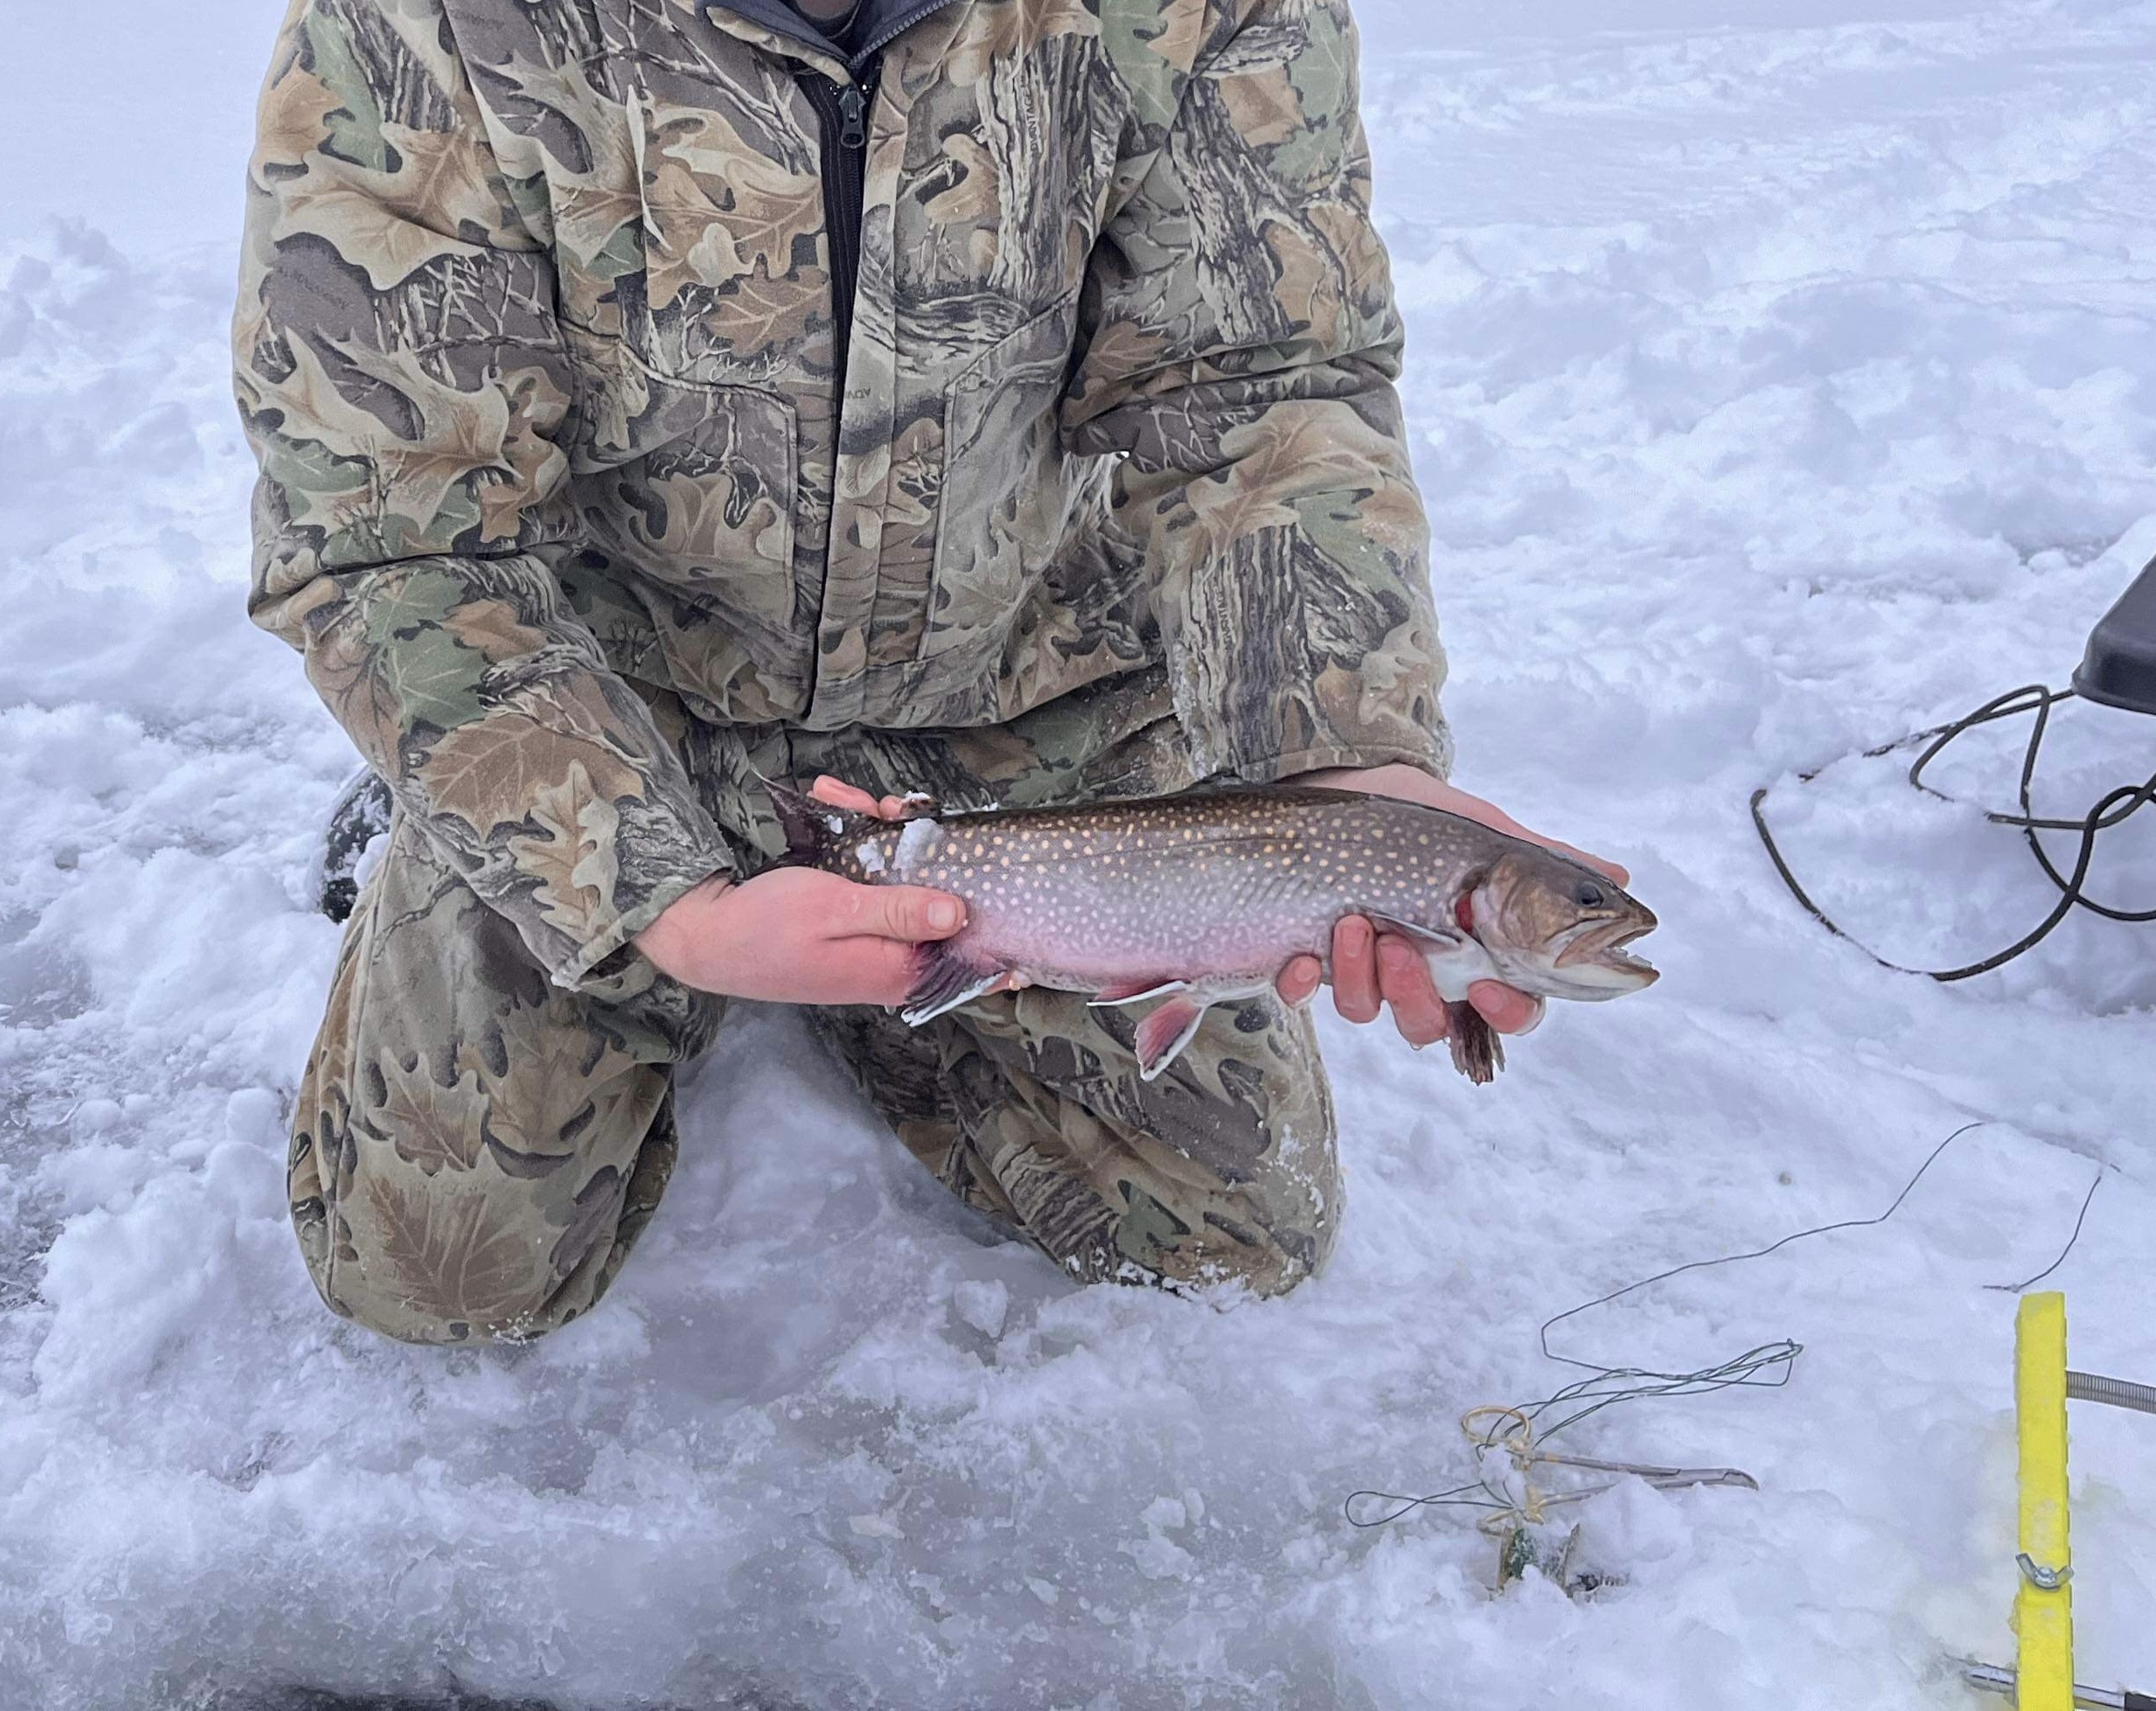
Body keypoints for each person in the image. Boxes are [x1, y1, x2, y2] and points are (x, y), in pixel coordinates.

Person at [233, 0, 1617, 1344]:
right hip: (618, 699)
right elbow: (393, 537)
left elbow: (1262, 392)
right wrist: (648, 893)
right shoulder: (424, 18)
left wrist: (1340, 755)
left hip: (1020, 707)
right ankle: (491, 826)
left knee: (1226, 1241)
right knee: (438, 1272)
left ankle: (906, 981)